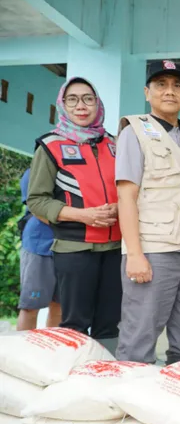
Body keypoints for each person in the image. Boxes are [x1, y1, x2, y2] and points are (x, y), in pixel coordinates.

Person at [114, 60, 180, 365]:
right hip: (153, 250)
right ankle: (130, 404)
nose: (169, 91)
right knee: (139, 338)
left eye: (177, 85)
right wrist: (134, 253)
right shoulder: (135, 132)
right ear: (148, 92)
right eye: (161, 85)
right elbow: (126, 196)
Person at [26, 77, 122, 354]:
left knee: (110, 323)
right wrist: (84, 216)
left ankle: (105, 376)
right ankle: (74, 380)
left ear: (98, 103)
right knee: (76, 322)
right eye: (73, 99)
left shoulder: (114, 144)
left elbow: (128, 189)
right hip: (74, 249)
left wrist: (120, 207)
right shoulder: (50, 146)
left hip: (115, 248)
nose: (81, 106)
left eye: (88, 99)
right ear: (63, 105)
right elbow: (37, 201)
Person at [16, 168, 61, 331]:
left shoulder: (75, 169)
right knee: (30, 306)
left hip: (69, 246)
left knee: (59, 306)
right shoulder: (33, 172)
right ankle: (22, 354)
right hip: (40, 244)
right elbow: (36, 207)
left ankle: (51, 354)